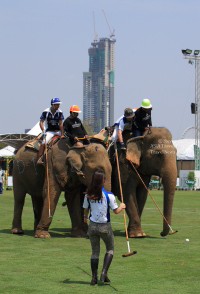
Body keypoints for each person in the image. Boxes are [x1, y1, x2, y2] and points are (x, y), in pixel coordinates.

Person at [83, 170, 126, 286]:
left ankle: (94, 278)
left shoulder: (88, 195)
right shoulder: (109, 195)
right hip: (105, 227)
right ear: (104, 181)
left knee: (95, 252)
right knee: (110, 249)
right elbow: (116, 211)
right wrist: (121, 206)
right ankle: (104, 272)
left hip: (92, 227)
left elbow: (85, 209)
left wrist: (85, 218)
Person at [37, 98, 65, 164]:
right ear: (53, 105)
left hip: (58, 131)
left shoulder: (60, 112)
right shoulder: (46, 112)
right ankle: (40, 158)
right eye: (57, 105)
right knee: (44, 142)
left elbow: (61, 124)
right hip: (50, 131)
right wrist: (43, 130)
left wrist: (62, 134)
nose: (59, 106)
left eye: (59, 104)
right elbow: (41, 122)